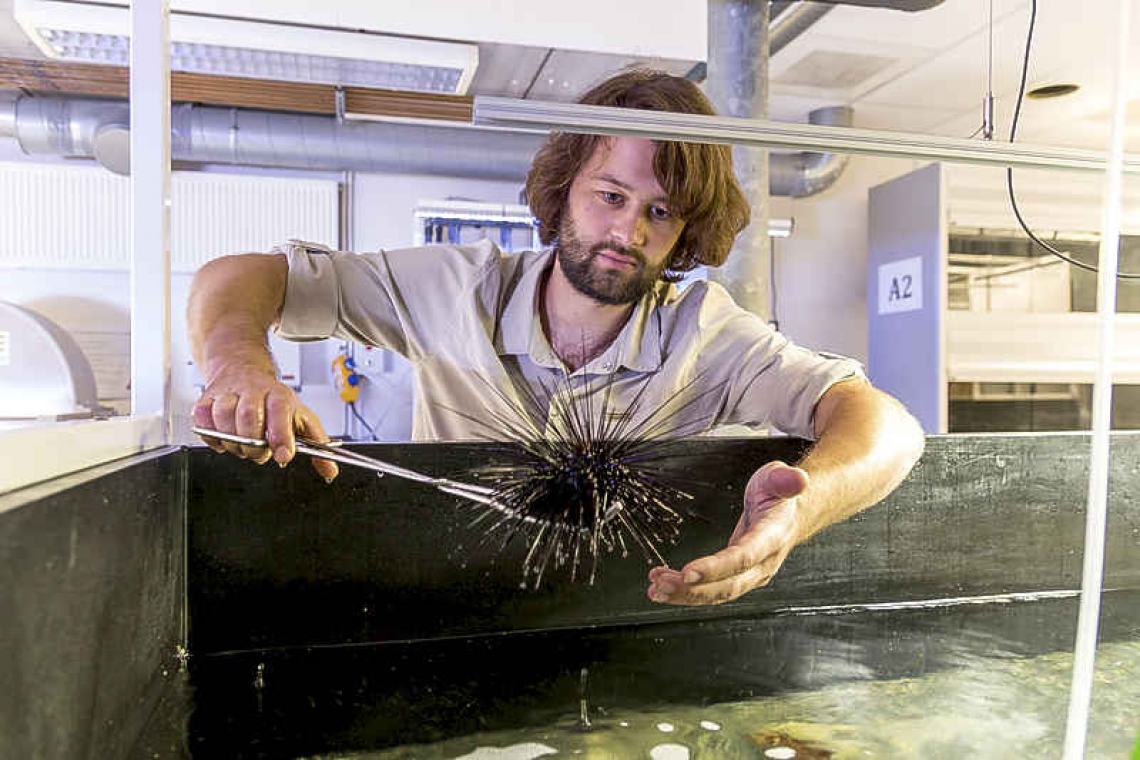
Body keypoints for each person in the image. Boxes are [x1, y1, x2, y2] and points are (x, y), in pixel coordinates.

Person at [188, 70, 925, 607]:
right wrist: (237, 365)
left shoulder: (708, 334)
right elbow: (241, 276)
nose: (626, 233)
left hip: (618, 614)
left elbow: (889, 429)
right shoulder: (451, 288)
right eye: (610, 195)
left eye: (660, 213)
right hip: (437, 607)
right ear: (565, 185)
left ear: (684, 232)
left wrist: (800, 509)